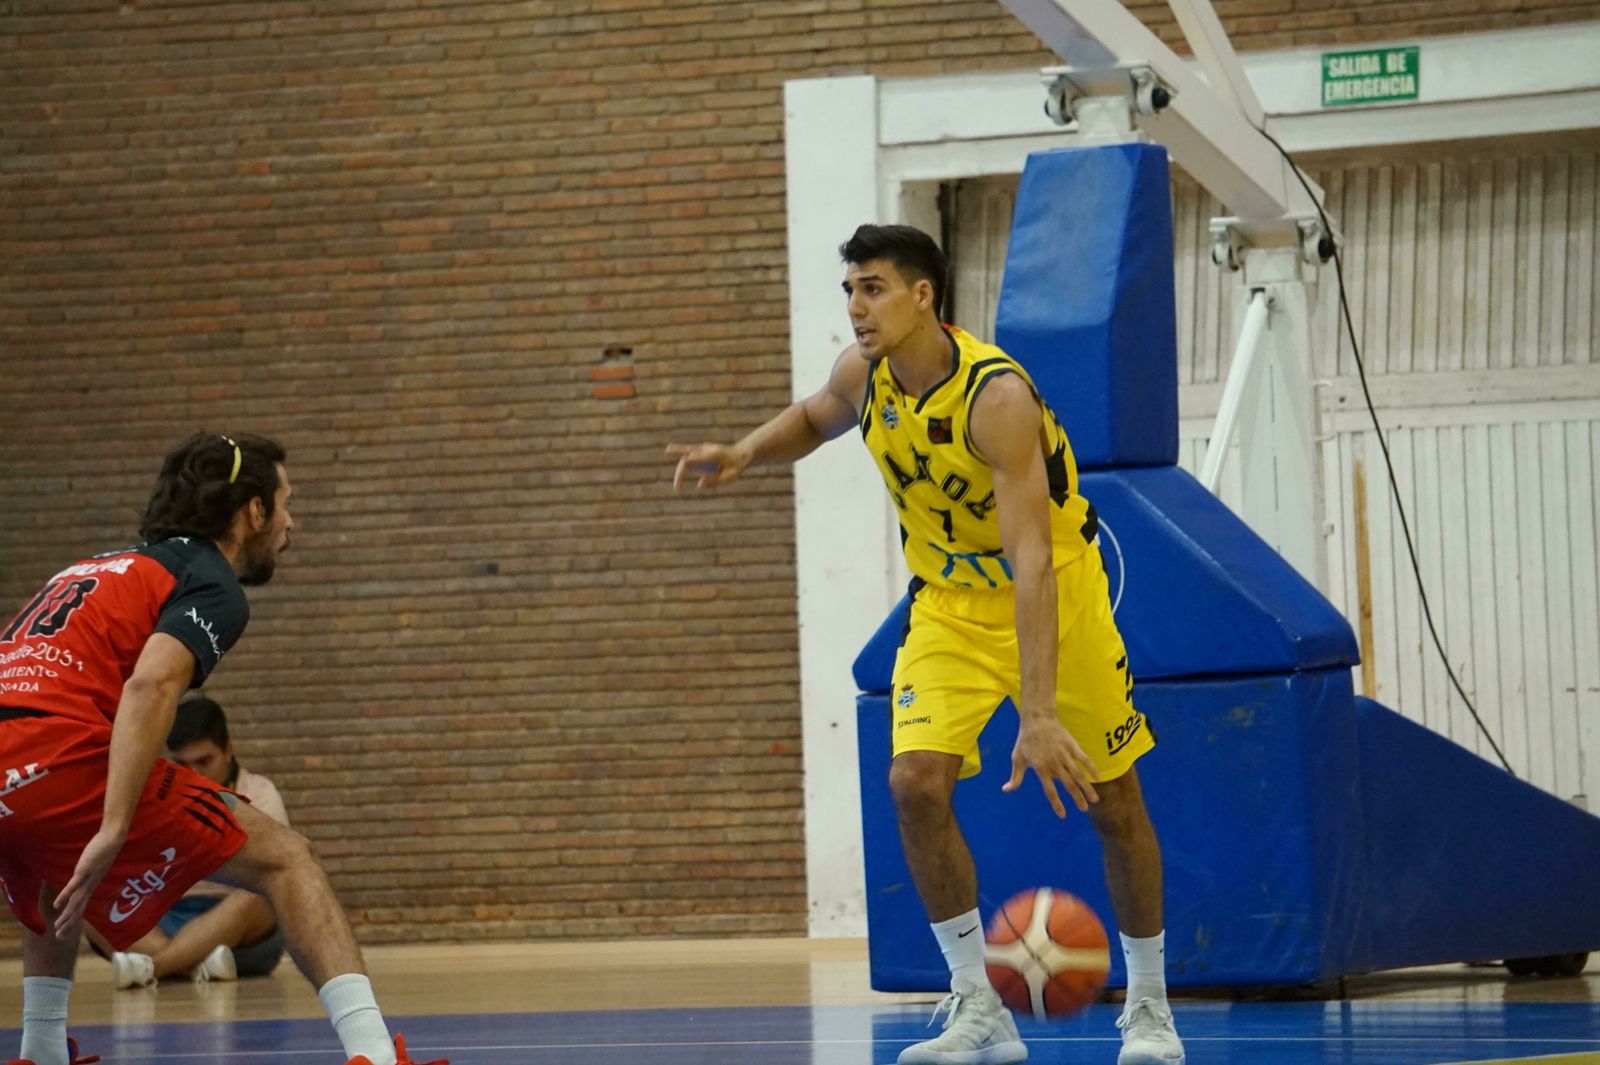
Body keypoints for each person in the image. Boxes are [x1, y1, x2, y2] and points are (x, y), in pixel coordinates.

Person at [666, 225, 1186, 1065]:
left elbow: (1032, 562)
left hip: (1050, 594)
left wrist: (1041, 710)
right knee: (912, 782)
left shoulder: (996, 396)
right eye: (849, 290)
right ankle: (980, 1008)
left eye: (872, 288)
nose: (856, 307)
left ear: (923, 296)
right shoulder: (863, 374)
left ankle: (1153, 1010)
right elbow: (815, 415)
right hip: (946, 605)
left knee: (1115, 801)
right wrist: (746, 451)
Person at [0, 433, 442, 1065]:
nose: (292, 521)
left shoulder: (93, 568)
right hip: (55, 748)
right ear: (253, 512)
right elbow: (151, 683)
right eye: (287, 502)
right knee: (289, 859)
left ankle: (40, 1050)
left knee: (53, 862)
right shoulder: (209, 581)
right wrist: (115, 824)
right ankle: (373, 1053)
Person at [86, 695, 289, 990]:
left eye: (204, 762)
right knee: (85, 902)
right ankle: (196, 965)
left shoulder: (260, 793)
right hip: (166, 919)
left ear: (228, 751)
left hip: (237, 930)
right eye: (182, 764)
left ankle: (154, 967)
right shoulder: (152, 795)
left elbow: (270, 871)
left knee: (262, 895)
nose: (193, 774)